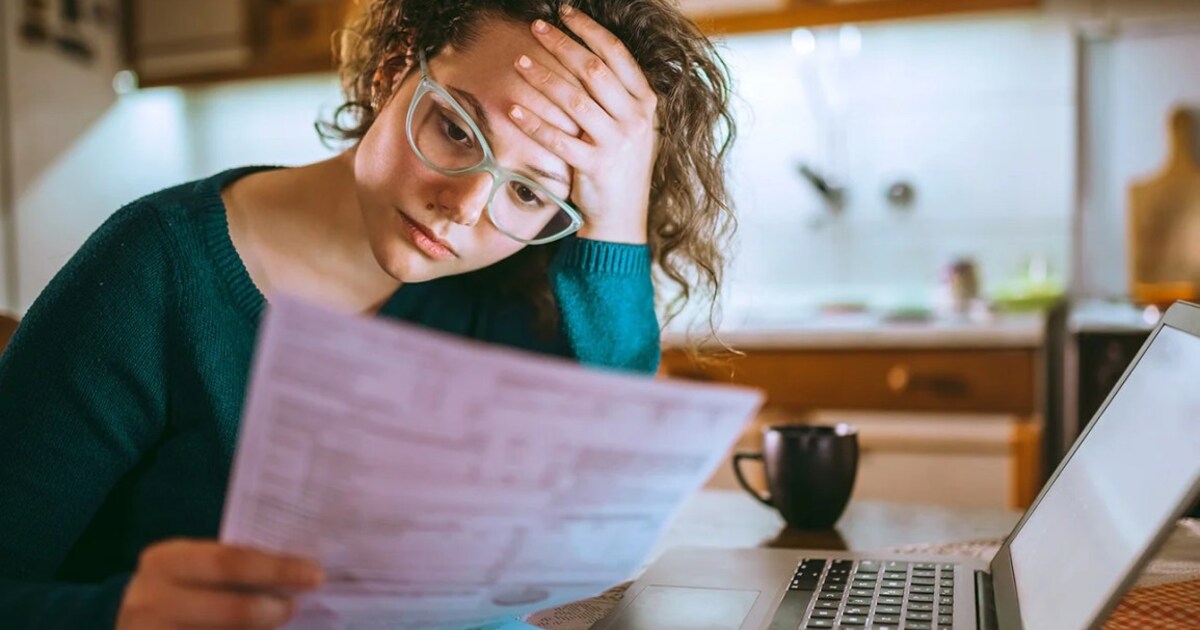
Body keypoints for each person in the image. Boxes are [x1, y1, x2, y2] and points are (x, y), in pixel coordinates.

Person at [0, 0, 736, 627]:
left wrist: (616, 221)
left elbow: (602, 476)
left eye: (528, 193)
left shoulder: (512, 291)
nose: (462, 208)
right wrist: (117, 614)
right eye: (454, 128)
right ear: (392, 72)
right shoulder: (154, 269)